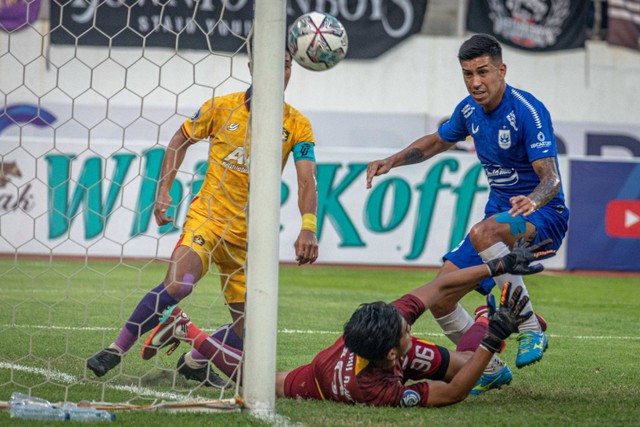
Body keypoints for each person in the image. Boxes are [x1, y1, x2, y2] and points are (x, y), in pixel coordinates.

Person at [87, 48, 319, 387]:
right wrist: (164, 190)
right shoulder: (221, 107)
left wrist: (308, 227)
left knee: (252, 332)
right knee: (180, 283)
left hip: (249, 237)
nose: (279, 73)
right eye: (272, 65)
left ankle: (194, 360)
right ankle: (115, 349)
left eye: (286, 66)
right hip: (208, 218)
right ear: (253, 67)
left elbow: (306, 179)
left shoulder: (297, 125)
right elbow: (180, 139)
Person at [365, 33, 569, 394]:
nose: (475, 82)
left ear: (501, 70)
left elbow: (550, 179)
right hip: (495, 222)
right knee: (442, 294)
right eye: (467, 74)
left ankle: (530, 328)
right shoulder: (468, 110)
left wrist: (533, 201)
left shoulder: (527, 110)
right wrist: (392, 161)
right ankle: (488, 368)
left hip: (543, 216)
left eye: (483, 72)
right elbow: (437, 141)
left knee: (483, 233)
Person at [142, 239, 554, 407]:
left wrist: (497, 264)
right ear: (394, 352)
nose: (411, 327)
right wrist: (497, 334)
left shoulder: (385, 323)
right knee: (258, 382)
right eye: (407, 332)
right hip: (321, 377)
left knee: (483, 367)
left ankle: (486, 313)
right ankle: (186, 328)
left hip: (364, 354)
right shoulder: (375, 389)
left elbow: (442, 283)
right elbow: (452, 395)